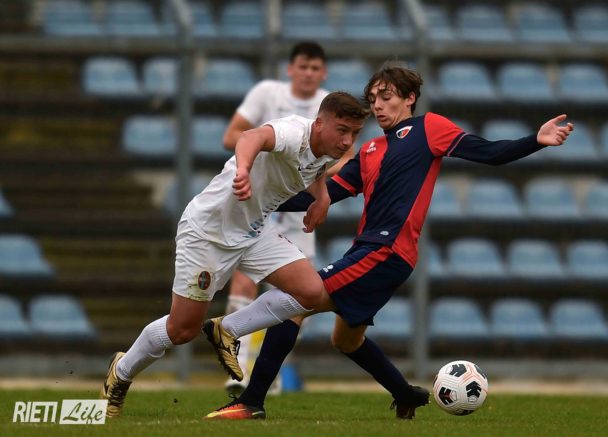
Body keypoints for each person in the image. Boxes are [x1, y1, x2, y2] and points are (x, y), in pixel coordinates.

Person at [202, 63, 574, 420]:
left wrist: (536, 141)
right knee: (346, 341)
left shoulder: (429, 128)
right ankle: (405, 393)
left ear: (410, 98)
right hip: (371, 252)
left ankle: (250, 398)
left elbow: (490, 153)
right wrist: (251, 198)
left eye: (387, 96)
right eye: (373, 99)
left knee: (297, 301)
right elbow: (321, 195)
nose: (378, 105)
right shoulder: (369, 151)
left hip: (386, 251)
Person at [100, 91, 369, 417]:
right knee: (182, 329)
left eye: (354, 132)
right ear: (320, 123)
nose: (348, 141)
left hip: (254, 233)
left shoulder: (326, 149)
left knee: (310, 292)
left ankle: (227, 329)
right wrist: (243, 170)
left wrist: (322, 198)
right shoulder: (293, 133)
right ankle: (121, 371)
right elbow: (250, 137)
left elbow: (313, 171)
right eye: (342, 130)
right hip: (208, 234)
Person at [222, 41, 354, 394]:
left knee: (297, 296)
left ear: (323, 73)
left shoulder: (331, 104)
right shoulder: (268, 93)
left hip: (298, 209)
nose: (308, 73)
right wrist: (275, 151)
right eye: (303, 66)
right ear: (290, 69)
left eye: (315, 68)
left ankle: (267, 370)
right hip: (262, 201)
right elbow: (233, 135)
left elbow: (347, 157)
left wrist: (310, 171)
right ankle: (238, 369)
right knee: (243, 284)